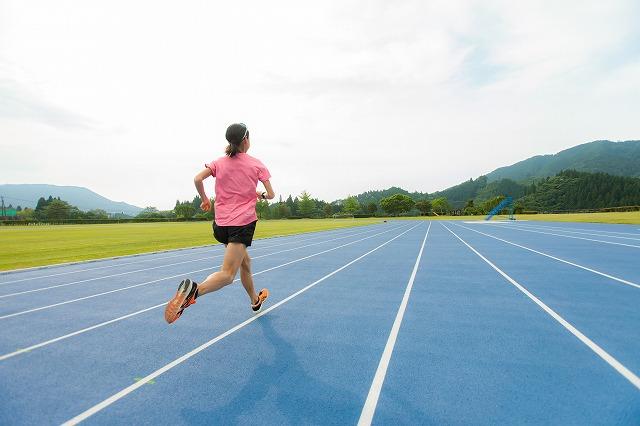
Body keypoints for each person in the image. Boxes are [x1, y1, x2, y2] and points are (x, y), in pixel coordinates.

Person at [165, 123, 275, 324]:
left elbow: (198, 179)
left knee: (246, 263)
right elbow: (271, 194)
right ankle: (194, 292)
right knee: (228, 274)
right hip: (241, 224)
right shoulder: (257, 164)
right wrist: (263, 195)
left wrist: (205, 199)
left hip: (221, 225)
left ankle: (255, 301)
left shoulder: (219, 162)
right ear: (246, 140)